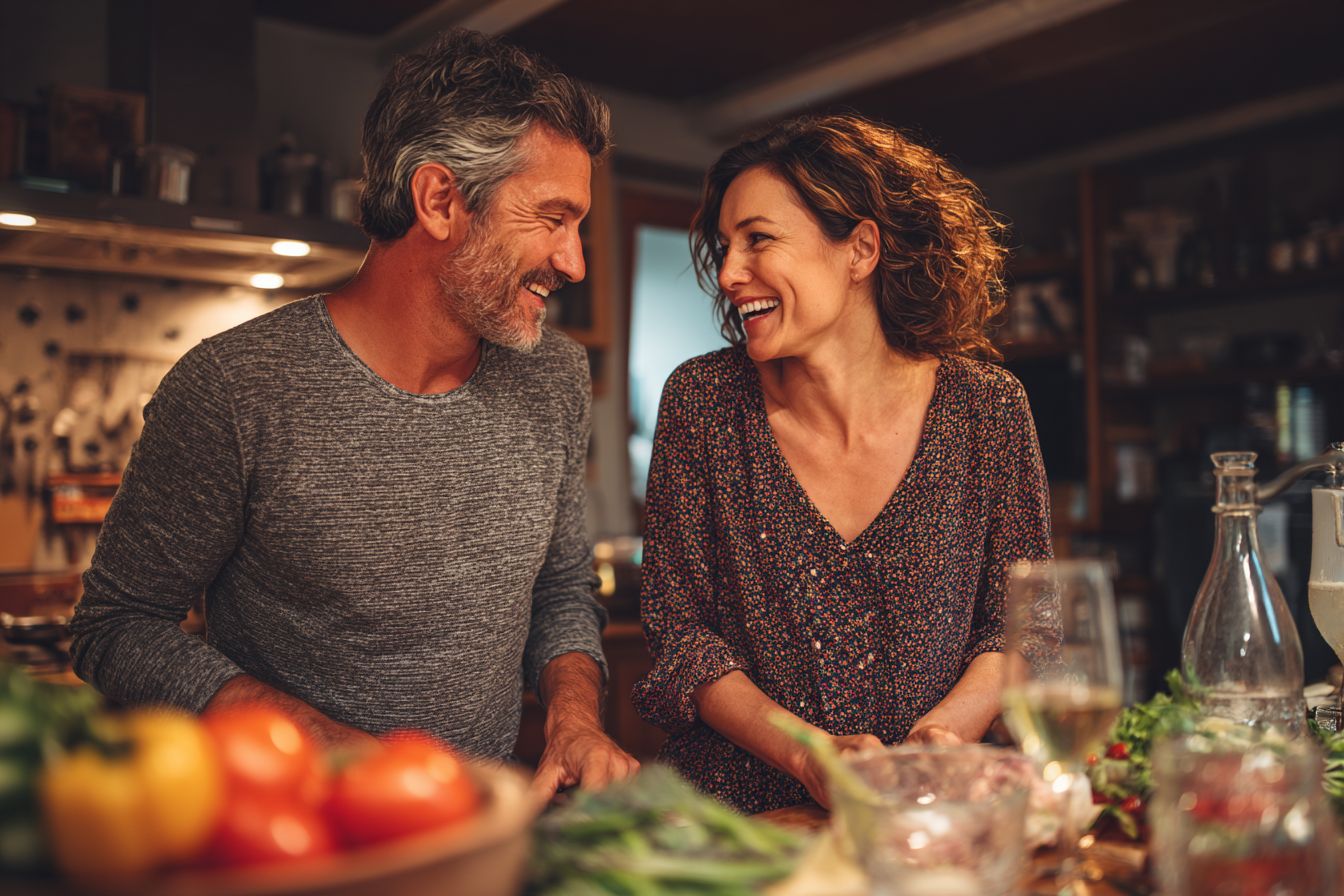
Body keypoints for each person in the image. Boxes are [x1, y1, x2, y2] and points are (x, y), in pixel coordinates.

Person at [70, 28, 638, 796]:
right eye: (553, 217)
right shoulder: (235, 388)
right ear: (439, 200)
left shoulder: (555, 377)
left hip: (482, 828)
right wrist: (328, 746)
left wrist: (574, 718)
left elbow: (562, 587)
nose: (573, 261)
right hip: (296, 833)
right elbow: (117, 624)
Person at [631, 115, 1052, 814]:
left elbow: (1025, 625)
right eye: (725, 246)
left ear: (859, 250)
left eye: (759, 239)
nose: (731, 273)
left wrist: (942, 739)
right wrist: (808, 756)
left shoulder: (987, 408)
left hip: (938, 815)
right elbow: (681, 637)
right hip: (750, 827)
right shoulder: (702, 402)